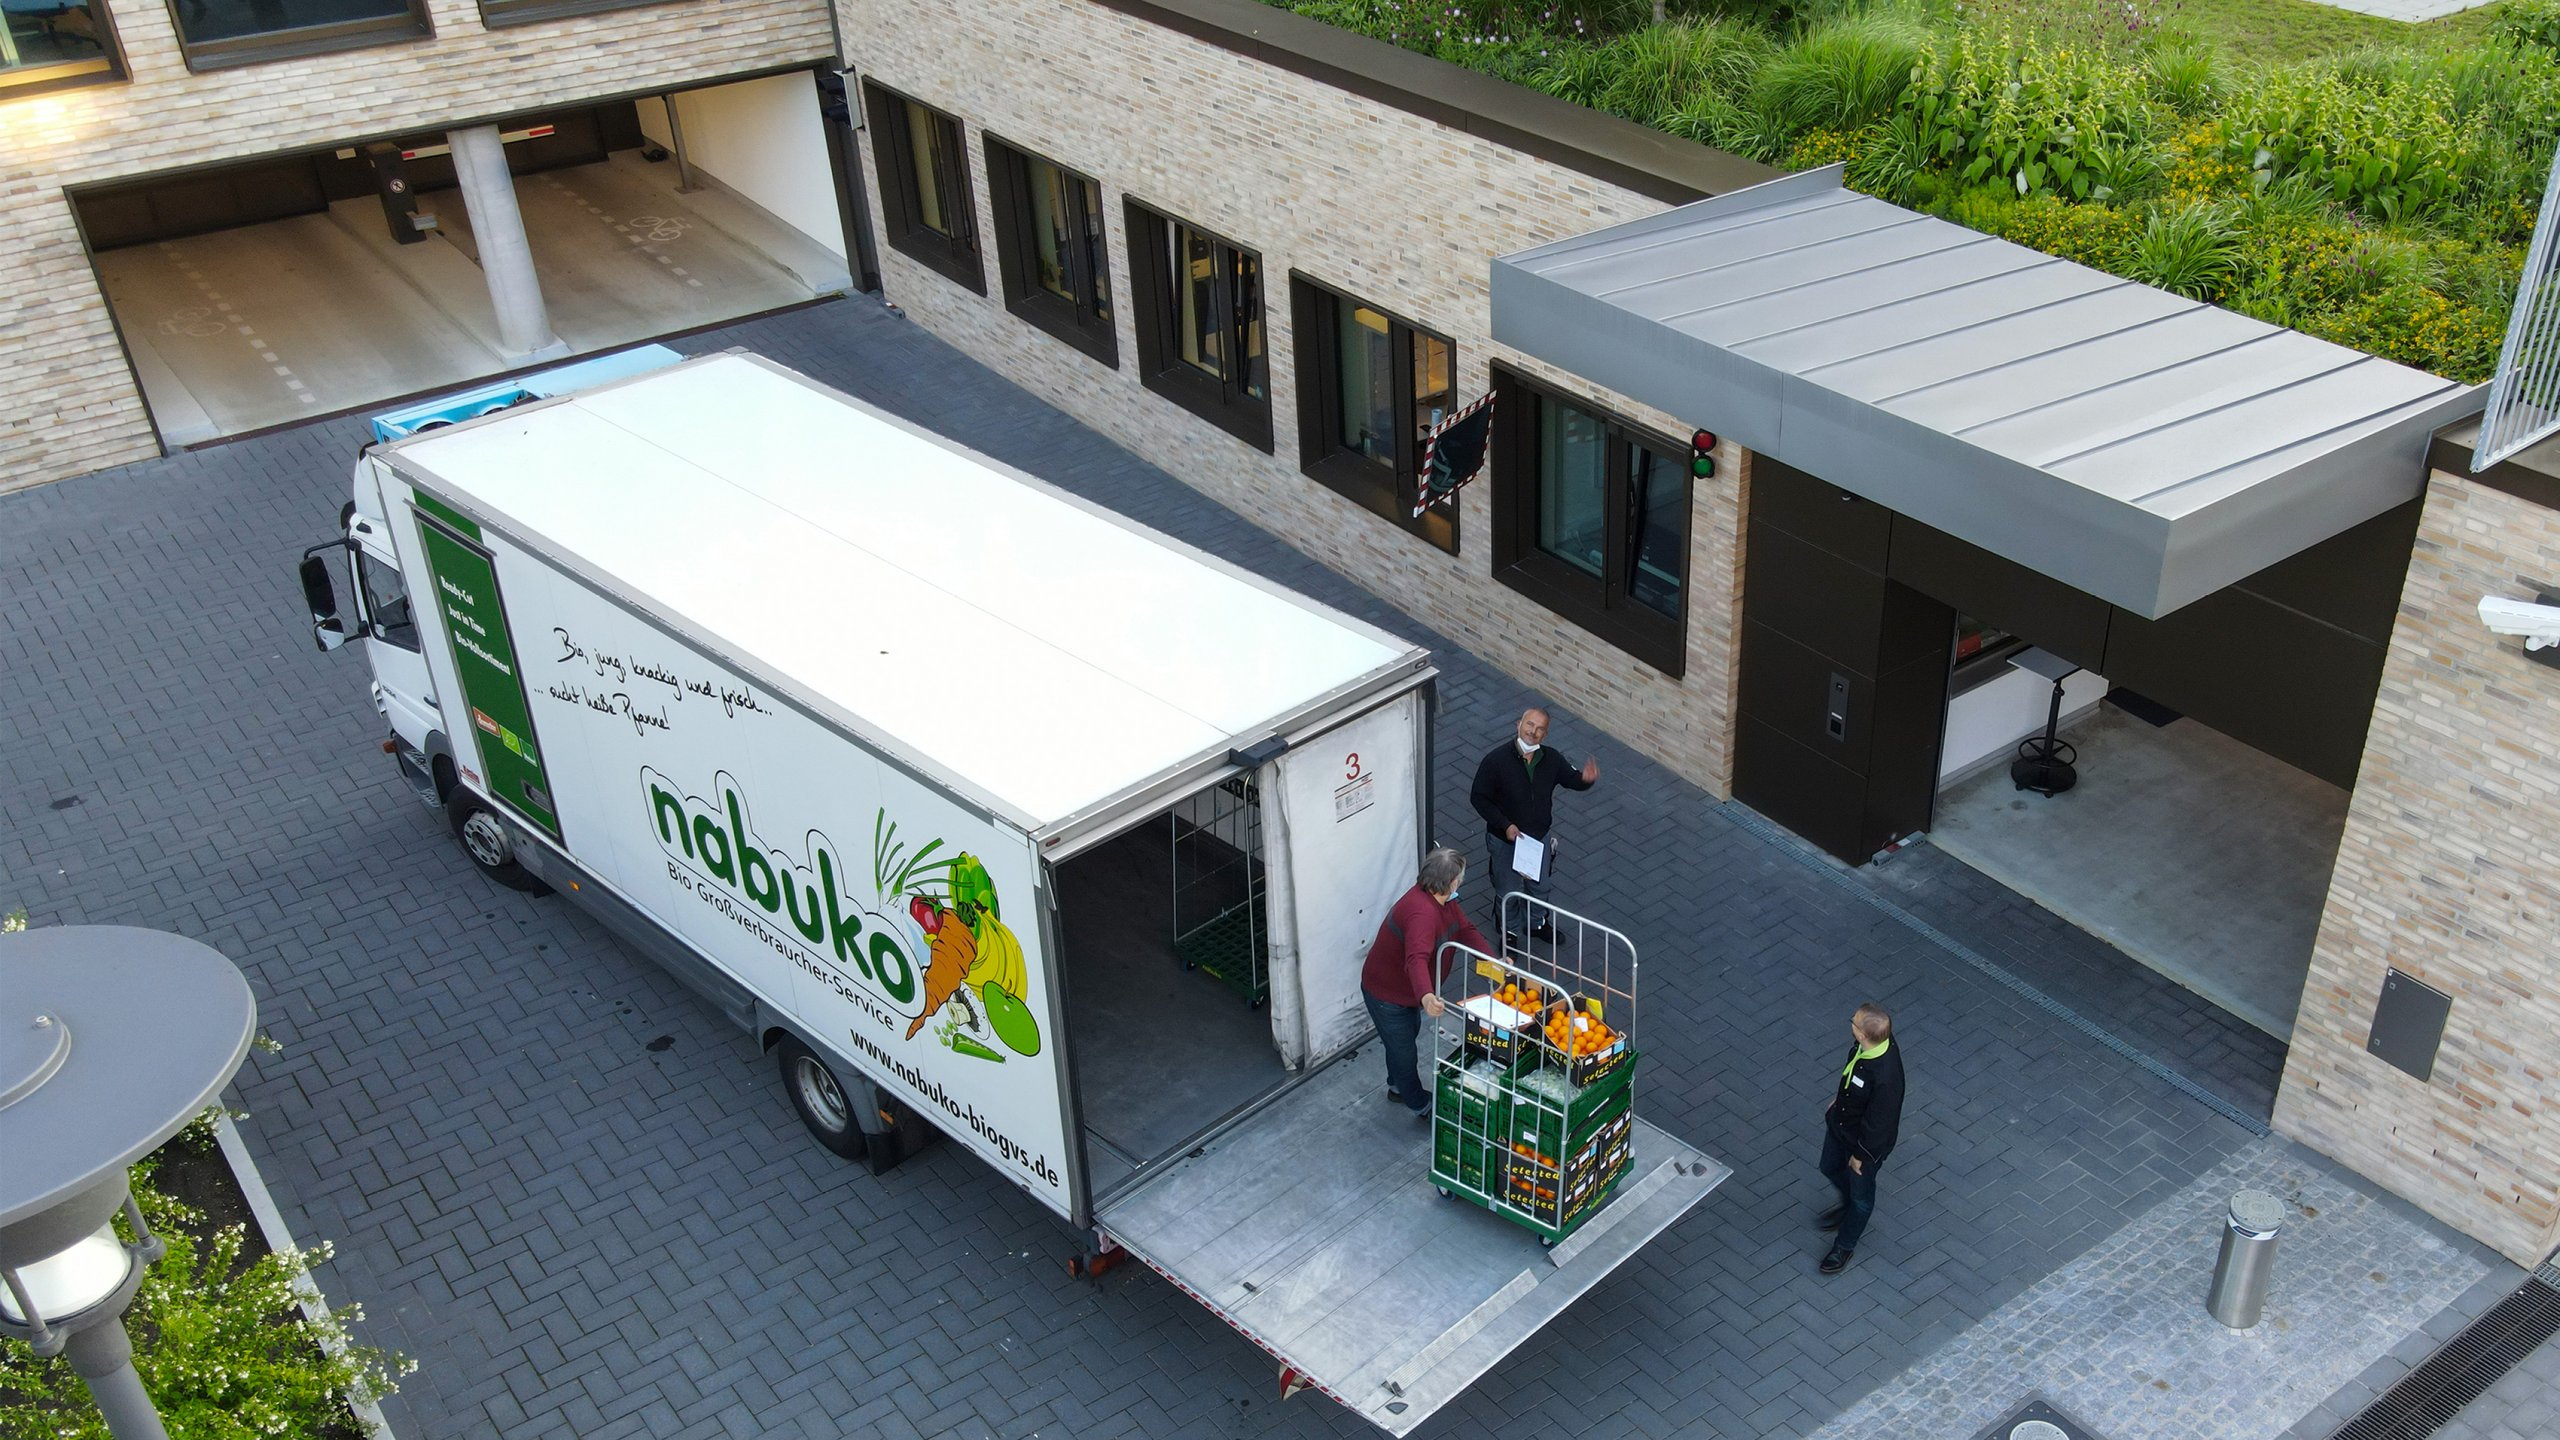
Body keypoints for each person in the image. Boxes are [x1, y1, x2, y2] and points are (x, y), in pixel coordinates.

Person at [1360, 847, 1490, 1119]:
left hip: (1405, 995)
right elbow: (1416, 960)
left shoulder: (1444, 902)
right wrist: (1427, 996)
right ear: (1451, 882)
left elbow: (1464, 929)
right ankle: (1420, 1104)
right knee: (1404, 1053)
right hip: (1388, 996)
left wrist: (1495, 963)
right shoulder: (1422, 915)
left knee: (1403, 1040)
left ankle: (1396, 1086)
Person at [1468, 707, 1598, 941]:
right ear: (1518, 724)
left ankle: (1537, 924)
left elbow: (1571, 779)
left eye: (1540, 729)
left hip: (1537, 840)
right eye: (1529, 725)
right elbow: (1478, 797)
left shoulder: (1551, 759)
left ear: (1545, 735)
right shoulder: (1495, 761)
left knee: (1540, 887)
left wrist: (1585, 780)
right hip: (1505, 840)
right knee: (1507, 890)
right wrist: (1504, 825)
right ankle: (1508, 930)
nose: (1533, 732)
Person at [1817, 1002, 1905, 1275]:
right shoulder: (1867, 1048)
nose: (1851, 1023)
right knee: (1829, 1166)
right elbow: (1854, 1078)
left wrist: (1861, 1156)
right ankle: (1847, 1206)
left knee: (1862, 1198)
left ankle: (1844, 1244)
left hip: (1864, 1147)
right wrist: (1839, 1100)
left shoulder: (1886, 1077)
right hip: (1842, 1125)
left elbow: (1881, 1123)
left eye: (1853, 1022)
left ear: (1862, 1034)